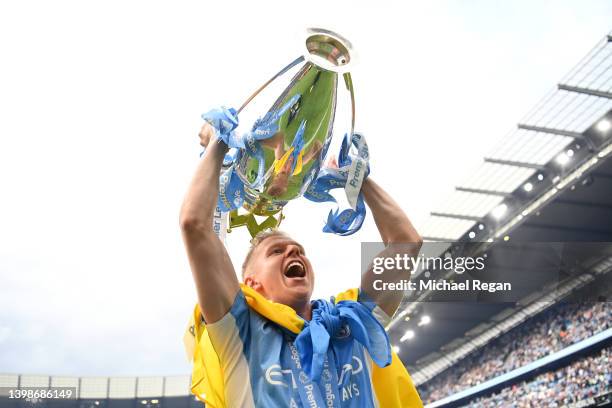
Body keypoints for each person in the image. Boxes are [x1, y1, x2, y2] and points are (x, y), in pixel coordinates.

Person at [180, 122, 424, 407]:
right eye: (276, 252)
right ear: (252, 284)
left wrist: (357, 179)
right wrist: (219, 144)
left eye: (299, 250)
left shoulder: (352, 322)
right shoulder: (239, 331)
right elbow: (195, 225)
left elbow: (405, 244)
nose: (293, 252)